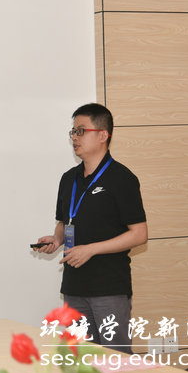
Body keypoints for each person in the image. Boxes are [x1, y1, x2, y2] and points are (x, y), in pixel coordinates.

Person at [36, 103, 148, 354]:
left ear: (102, 135)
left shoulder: (122, 178)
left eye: (81, 131)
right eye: (73, 131)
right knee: (81, 360)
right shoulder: (69, 178)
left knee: (115, 361)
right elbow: (65, 222)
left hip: (109, 288)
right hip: (73, 287)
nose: (74, 137)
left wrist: (91, 249)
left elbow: (139, 234)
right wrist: (56, 239)